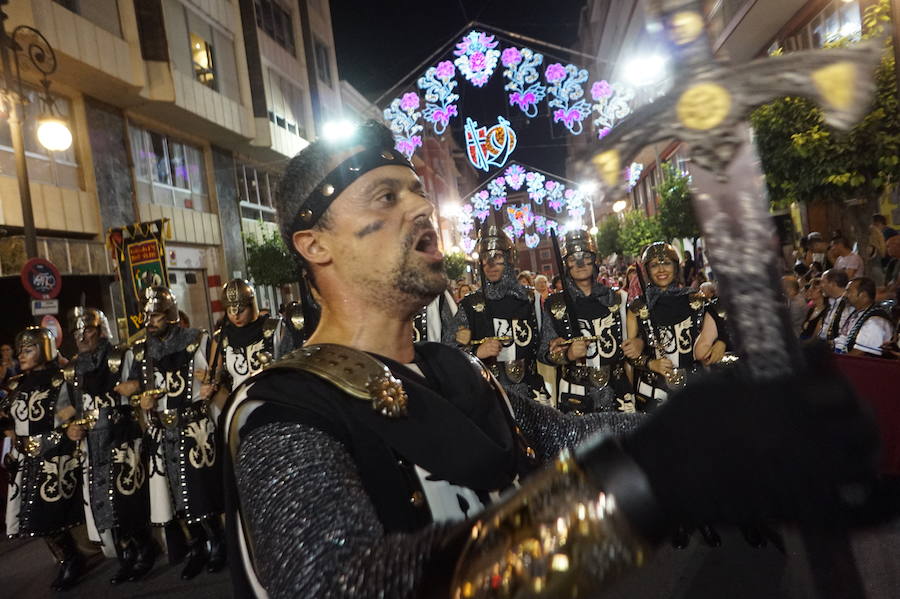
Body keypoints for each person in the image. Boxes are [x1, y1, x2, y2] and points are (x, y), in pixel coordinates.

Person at [220, 120, 883, 599]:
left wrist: (728, 428)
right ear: (315, 245)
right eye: (386, 197)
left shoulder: (457, 370)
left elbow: (576, 440)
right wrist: (650, 481)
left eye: (416, 189)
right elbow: (341, 585)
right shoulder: (281, 410)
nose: (422, 205)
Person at [118, 287, 225, 580]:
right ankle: (196, 547)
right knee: (173, 496)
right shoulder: (140, 350)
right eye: (146, 315)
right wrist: (140, 399)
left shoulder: (198, 340)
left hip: (194, 426)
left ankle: (217, 541)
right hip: (160, 431)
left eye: (155, 315)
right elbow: (129, 390)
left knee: (201, 490)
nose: (149, 321)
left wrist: (210, 385)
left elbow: (219, 373)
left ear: (171, 314)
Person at [65, 307, 154, 584]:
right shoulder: (72, 369)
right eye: (78, 331)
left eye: (88, 329)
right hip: (92, 442)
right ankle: (125, 552)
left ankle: (144, 546)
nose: (82, 335)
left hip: (122, 434)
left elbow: (149, 381)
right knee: (102, 500)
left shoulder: (121, 355)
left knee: (128, 496)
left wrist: (136, 386)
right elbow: (64, 409)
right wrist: (70, 427)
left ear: (100, 330)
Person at [2, 327, 85, 591]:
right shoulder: (16, 385)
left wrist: (67, 426)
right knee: (31, 520)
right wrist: (10, 449)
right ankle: (66, 559)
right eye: (20, 351)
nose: (21, 356)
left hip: (55, 457)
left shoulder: (62, 379)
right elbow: (11, 423)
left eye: (28, 350)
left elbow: (76, 409)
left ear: (44, 349)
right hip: (26, 461)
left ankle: (73, 558)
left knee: (48, 516)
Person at [539, 229, 643, 413]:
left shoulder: (618, 299)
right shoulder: (555, 305)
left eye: (585, 256)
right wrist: (567, 354)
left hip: (617, 390)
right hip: (575, 395)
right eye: (573, 258)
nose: (580, 263)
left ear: (594, 259)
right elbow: (543, 354)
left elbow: (643, 337)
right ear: (566, 264)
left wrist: (639, 343)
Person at [446, 226, 549, 403]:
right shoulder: (471, 304)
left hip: (530, 393)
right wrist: (476, 352)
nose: (491, 264)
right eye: (486, 257)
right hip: (489, 394)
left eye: (498, 257)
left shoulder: (531, 300)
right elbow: (450, 352)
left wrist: (563, 350)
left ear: (508, 260)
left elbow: (546, 350)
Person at [627, 242, 726, 412]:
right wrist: (651, 364)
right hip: (652, 394)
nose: (661, 270)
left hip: (694, 390)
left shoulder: (696, 300)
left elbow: (721, 327)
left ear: (676, 266)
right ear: (647, 270)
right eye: (654, 265)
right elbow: (629, 355)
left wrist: (721, 343)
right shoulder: (637, 308)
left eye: (666, 263)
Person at [207, 279, 294, 405]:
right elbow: (214, 374)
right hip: (239, 405)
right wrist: (209, 382)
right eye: (230, 311)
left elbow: (290, 367)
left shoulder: (275, 328)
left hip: (274, 400)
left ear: (251, 305)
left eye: (240, 311)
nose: (235, 316)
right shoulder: (221, 338)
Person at [834, 277, 894, 357]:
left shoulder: (875, 321)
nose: (845, 295)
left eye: (849, 291)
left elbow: (860, 354)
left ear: (863, 295)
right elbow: (842, 341)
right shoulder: (858, 313)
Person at [818, 269, 851, 343]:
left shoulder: (848, 304)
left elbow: (844, 336)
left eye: (822, 282)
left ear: (832, 284)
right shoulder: (832, 301)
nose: (820, 286)